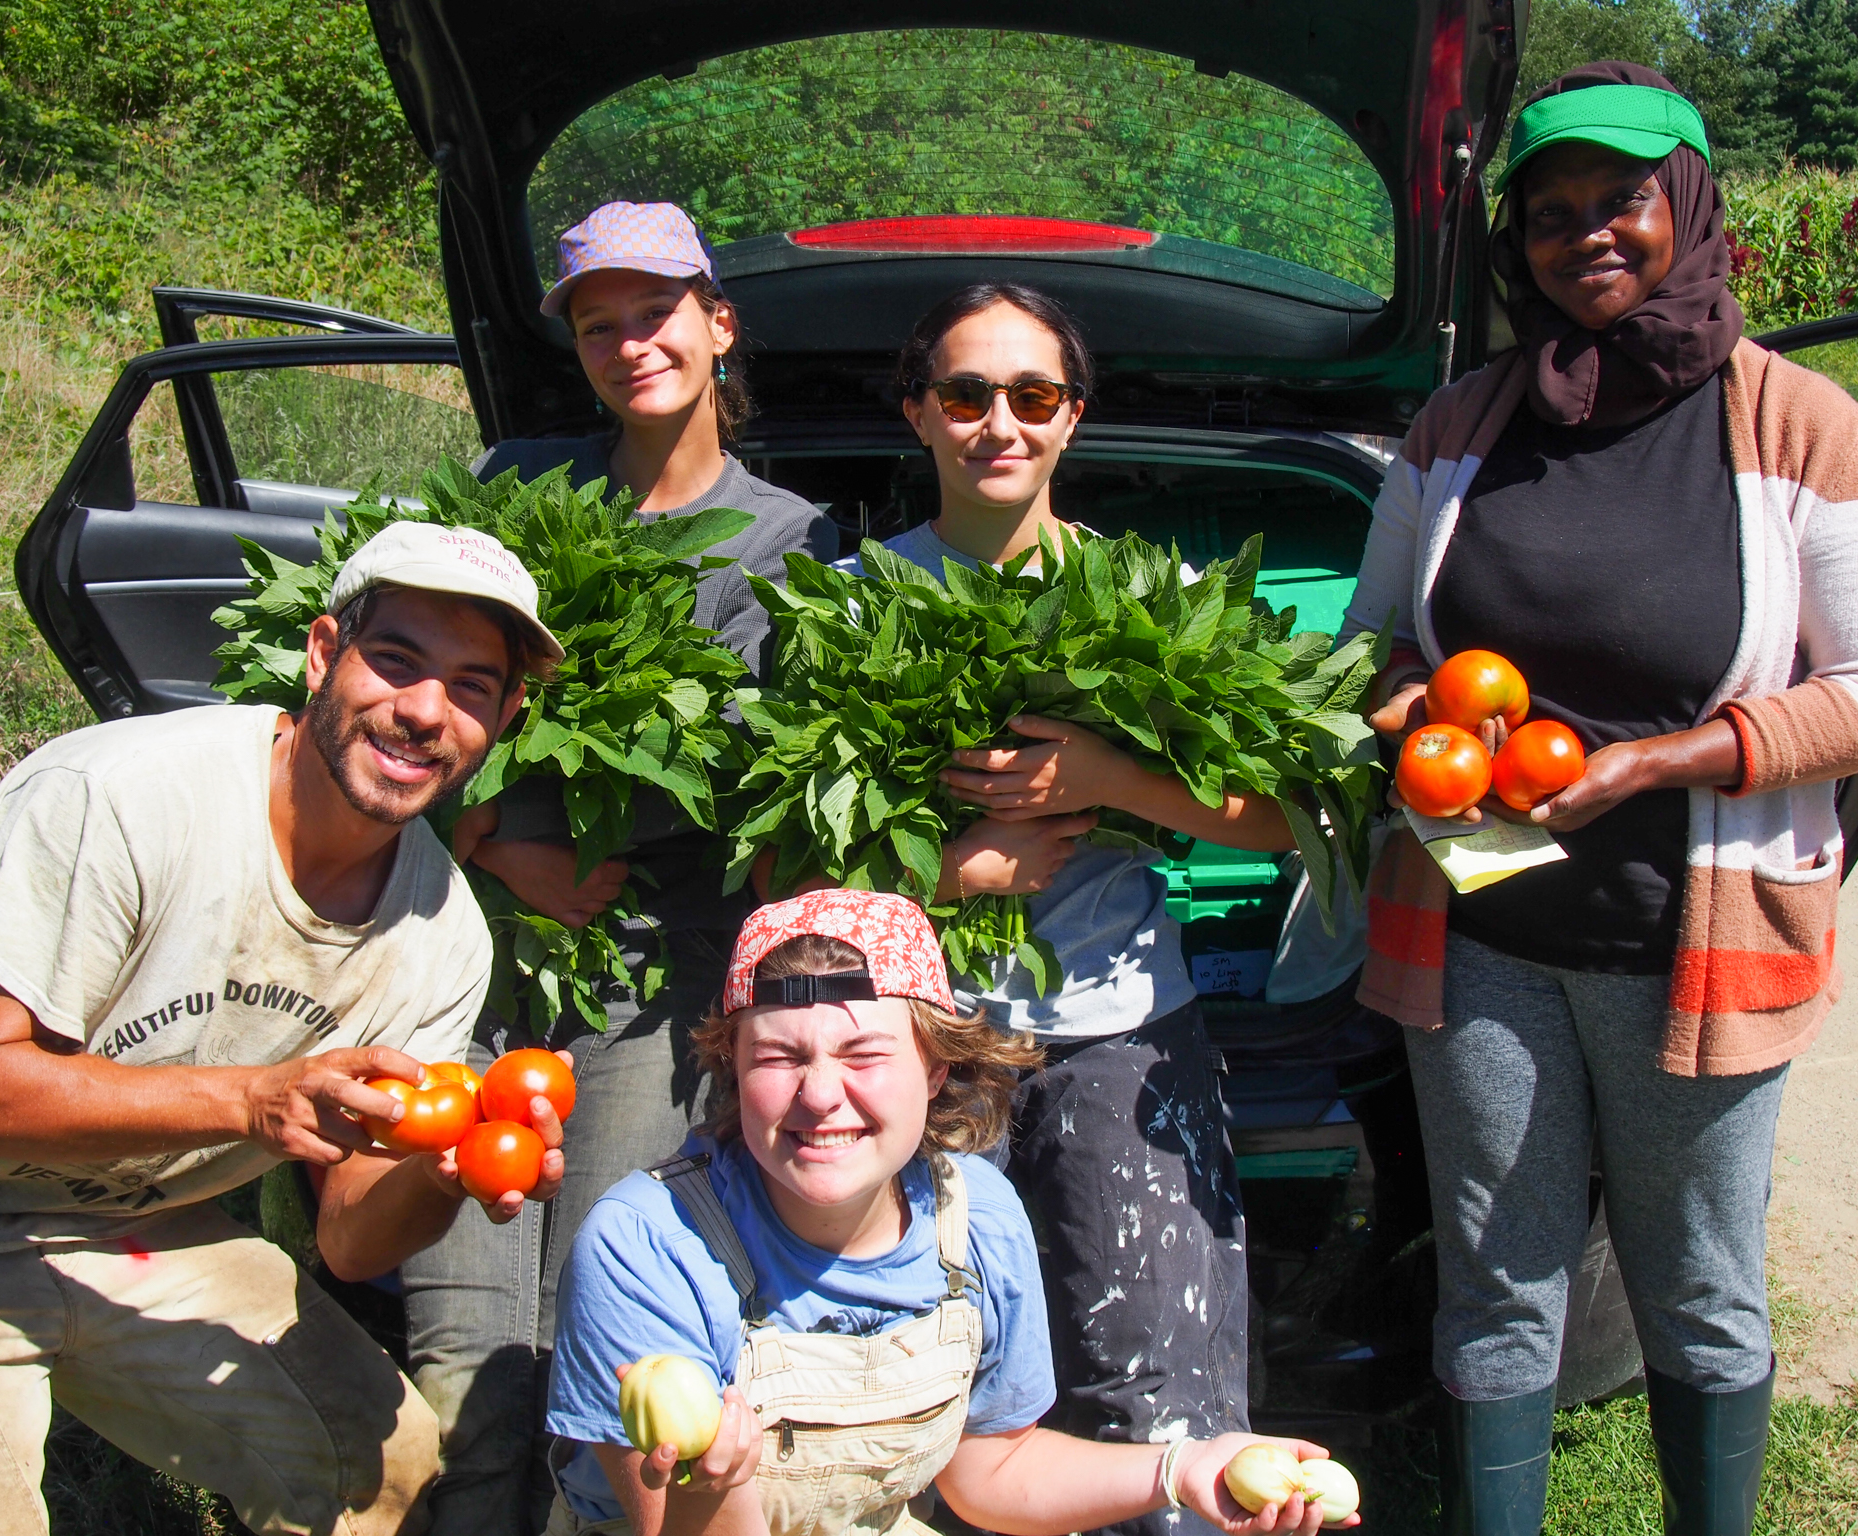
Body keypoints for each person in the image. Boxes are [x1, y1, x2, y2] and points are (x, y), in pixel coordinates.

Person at [1341, 63, 1858, 1536]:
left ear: (1689, 206)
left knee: (1700, 1284)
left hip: (1695, 935)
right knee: (1498, 1277)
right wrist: (1402, 695)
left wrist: (1670, 759)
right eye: (1550, 215)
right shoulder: (1460, 425)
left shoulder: (1802, 423)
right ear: (1515, 245)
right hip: (1481, 926)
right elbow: (1375, 641)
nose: (1586, 236)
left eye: (1622, 203)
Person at [0, 522, 575, 1535]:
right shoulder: (121, 800)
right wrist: (250, 1102)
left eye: (472, 687)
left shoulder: (442, 939)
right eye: (395, 660)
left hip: (129, 1229)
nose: (425, 713)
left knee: (378, 1470)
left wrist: (444, 1167)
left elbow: (348, 1238)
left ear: (504, 717)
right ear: (320, 654)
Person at [404, 198, 838, 1535]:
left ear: (717, 323)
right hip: (469, 958)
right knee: (454, 1356)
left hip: (660, 977)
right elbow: (394, 700)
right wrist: (494, 839)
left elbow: (781, 786)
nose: (628, 341)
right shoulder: (517, 491)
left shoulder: (794, 544)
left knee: (599, 1344)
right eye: (598, 324)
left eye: (654, 312)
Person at [831, 282, 1291, 1536]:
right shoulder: (850, 606)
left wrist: (1104, 779)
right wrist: (952, 876)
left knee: (1154, 1381)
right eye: (967, 395)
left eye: (1032, 396)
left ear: (1072, 417)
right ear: (918, 413)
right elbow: (788, 881)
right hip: (927, 1047)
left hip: (1123, 1029)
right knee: (934, 1384)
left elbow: (1274, 813)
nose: (1000, 424)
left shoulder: (1148, 590)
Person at [542, 888, 1351, 1536]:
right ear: (732, 1069)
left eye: (866, 1055)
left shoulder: (975, 1214)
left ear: (935, 1068)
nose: (821, 1096)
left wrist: (1185, 1469)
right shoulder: (649, 1243)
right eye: (779, 1055)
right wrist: (713, 1483)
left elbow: (991, 1474)